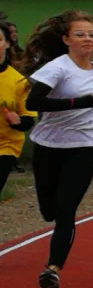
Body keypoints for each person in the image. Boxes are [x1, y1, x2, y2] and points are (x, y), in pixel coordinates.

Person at [23, 11, 93, 288]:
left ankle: (52, 269)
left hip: (85, 145)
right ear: (66, 40)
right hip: (49, 146)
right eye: (80, 34)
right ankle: (53, 260)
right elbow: (34, 101)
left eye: (92, 34)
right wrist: (77, 102)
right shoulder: (57, 68)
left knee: (65, 210)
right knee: (48, 209)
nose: (88, 39)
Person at [0, 24, 34, 198]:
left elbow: (28, 119)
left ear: (7, 44)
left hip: (5, 145)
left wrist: (18, 122)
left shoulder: (18, 82)